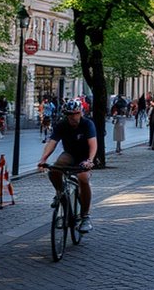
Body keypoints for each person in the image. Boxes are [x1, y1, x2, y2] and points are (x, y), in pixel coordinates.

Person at [38, 100, 98, 233]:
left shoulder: (87, 124)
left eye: (76, 114)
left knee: (83, 179)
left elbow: (93, 144)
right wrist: (43, 159)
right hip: (69, 154)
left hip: (84, 156)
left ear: (80, 112)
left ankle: (85, 216)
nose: (73, 117)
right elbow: (52, 143)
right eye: (69, 114)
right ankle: (60, 193)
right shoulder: (62, 125)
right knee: (54, 170)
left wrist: (90, 160)